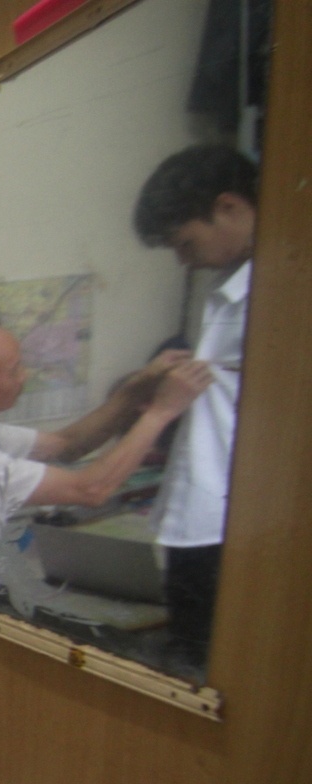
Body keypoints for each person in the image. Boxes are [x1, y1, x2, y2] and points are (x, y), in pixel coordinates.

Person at [0, 323, 211, 598]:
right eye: (14, 370)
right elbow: (91, 489)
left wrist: (137, 387)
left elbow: (65, 446)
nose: (24, 376)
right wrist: (161, 412)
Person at [133, 144, 257, 668]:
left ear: (229, 207)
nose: (184, 260)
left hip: (235, 520)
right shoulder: (229, 289)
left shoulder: (281, 292)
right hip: (202, 510)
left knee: (213, 662)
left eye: (185, 243)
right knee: (188, 648)